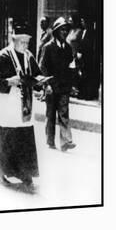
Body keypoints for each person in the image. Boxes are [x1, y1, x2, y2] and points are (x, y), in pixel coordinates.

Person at [0, 19, 45, 190]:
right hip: (7, 105)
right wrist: (8, 81)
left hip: (25, 104)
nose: (26, 45)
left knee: (25, 138)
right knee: (8, 139)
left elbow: (37, 75)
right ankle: (0, 172)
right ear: (13, 40)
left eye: (28, 42)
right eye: (22, 42)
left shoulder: (28, 56)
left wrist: (41, 85)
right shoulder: (2, 57)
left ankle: (25, 172)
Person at [39, 17, 77, 152]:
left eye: (66, 30)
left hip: (64, 87)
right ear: (56, 31)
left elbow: (71, 67)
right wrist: (46, 84)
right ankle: (50, 140)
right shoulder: (48, 47)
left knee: (64, 113)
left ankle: (66, 141)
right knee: (50, 115)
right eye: (62, 30)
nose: (65, 32)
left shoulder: (67, 48)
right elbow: (42, 67)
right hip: (51, 87)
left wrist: (72, 83)